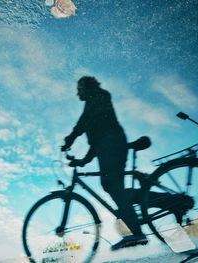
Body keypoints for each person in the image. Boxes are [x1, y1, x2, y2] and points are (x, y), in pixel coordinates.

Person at [61, 76, 148, 250]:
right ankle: (134, 225)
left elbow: (85, 121)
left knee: (111, 184)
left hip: (113, 143)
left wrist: (71, 138)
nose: (77, 92)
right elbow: (96, 142)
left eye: (79, 88)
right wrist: (83, 161)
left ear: (86, 87)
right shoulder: (94, 103)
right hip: (109, 144)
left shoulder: (99, 95)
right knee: (114, 187)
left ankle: (136, 233)